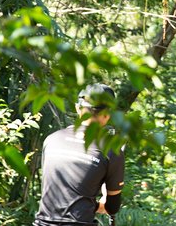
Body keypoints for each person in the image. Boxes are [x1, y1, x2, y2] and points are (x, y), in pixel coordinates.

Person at [35, 83, 124, 226]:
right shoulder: (111, 149)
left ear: (78, 108)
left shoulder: (52, 140)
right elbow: (112, 208)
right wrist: (102, 203)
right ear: (108, 114)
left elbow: (58, 188)